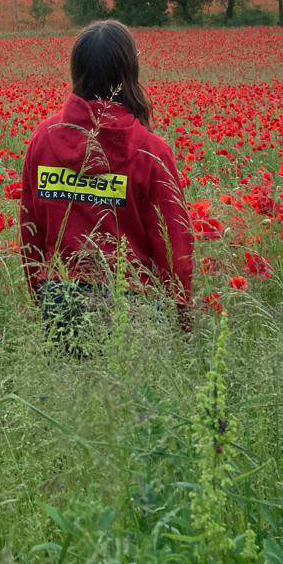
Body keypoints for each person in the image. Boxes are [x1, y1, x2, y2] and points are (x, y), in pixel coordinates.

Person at [20, 19, 194, 350]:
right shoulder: (151, 152)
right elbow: (174, 246)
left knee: (68, 398)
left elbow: (30, 234)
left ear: (77, 71)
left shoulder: (43, 140)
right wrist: (183, 319)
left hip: (61, 298)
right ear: (129, 74)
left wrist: (41, 296)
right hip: (134, 303)